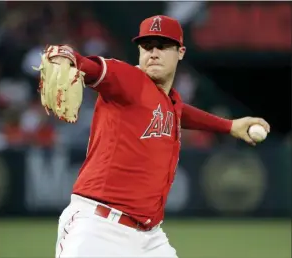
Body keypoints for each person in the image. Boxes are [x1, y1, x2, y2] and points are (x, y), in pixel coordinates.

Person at [54, 15, 270, 258]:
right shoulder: (128, 80)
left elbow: (180, 112)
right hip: (98, 229)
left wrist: (229, 126)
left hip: (150, 237)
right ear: (139, 51)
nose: (153, 52)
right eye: (147, 46)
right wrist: (67, 56)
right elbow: (94, 68)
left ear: (181, 52)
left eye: (163, 45)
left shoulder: (169, 101)